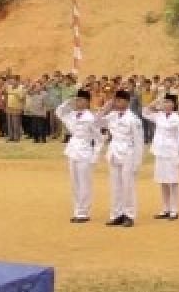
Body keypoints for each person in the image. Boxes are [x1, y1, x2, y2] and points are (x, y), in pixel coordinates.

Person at [56, 89, 101, 223]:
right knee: (74, 183)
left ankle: (84, 212)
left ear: (87, 102)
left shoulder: (91, 118)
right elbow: (59, 112)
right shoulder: (72, 115)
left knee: (84, 183)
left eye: (80, 99)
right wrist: (68, 102)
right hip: (73, 150)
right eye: (77, 99)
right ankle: (77, 210)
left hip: (86, 152)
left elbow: (99, 139)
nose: (78, 102)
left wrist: (95, 156)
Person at [103, 89, 143, 226]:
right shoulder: (112, 116)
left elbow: (139, 142)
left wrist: (137, 162)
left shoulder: (133, 119)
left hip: (128, 153)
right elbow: (96, 123)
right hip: (114, 152)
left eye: (118, 100)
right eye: (115, 100)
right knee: (115, 186)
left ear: (126, 101)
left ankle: (129, 215)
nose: (115, 102)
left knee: (128, 185)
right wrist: (105, 109)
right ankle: (116, 214)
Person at [147, 94, 179, 220]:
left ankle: (174, 210)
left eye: (169, 102)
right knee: (163, 181)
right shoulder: (159, 116)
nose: (166, 104)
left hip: (172, 152)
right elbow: (145, 112)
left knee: (173, 181)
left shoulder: (178, 119)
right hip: (160, 152)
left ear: (174, 104)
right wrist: (156, 101)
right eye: (164, 102)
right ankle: (165, 208)